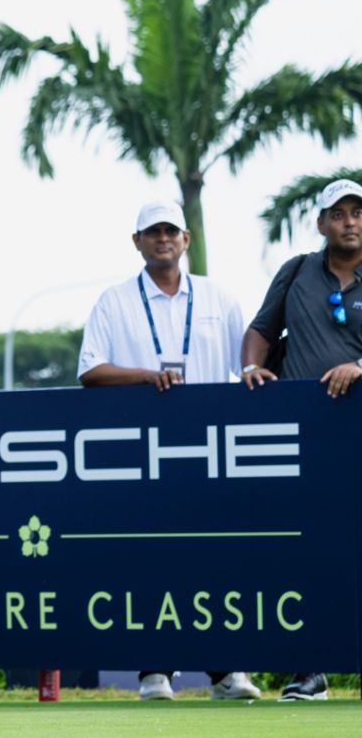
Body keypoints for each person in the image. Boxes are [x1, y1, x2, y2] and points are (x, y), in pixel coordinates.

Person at [76, 200, 259, 702]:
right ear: (136, 241)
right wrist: (145, 377)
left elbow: (244, 365)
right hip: (142, 453)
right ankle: (154, 671)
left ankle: (226, 672)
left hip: (209, 449)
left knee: (215, 558)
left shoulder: (218, 297)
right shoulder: (114, 301)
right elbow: (90, 370)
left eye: (171, 231)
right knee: (150, 558)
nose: (163, 239)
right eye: (153, 232)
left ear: (186, 239)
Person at [239, 178, 362, 702]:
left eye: (358, 213)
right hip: (305, 436)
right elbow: (261, 331)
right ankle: (310, 671)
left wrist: (360, 365)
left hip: (357, 432)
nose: (350, 222)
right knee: (307, 550)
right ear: (321, 223)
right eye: (339, 214)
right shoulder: (296, 271)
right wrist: (250, 366)